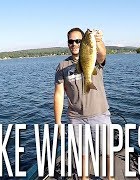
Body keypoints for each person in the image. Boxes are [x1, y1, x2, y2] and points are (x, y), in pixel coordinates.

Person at [54, 27, 113, 180]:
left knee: (107, 151)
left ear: (84, 42)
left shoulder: (93, 57)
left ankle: (110, 177)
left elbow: (102, 54)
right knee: (82, 153)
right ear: (68, 44)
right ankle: (84, 178)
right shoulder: (62, 67)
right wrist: (58, 122)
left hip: (99, 113)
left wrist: (98, 40)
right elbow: (59, 94)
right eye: (71, 41)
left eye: (78, 41)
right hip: (76, 117)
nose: (74, 44)